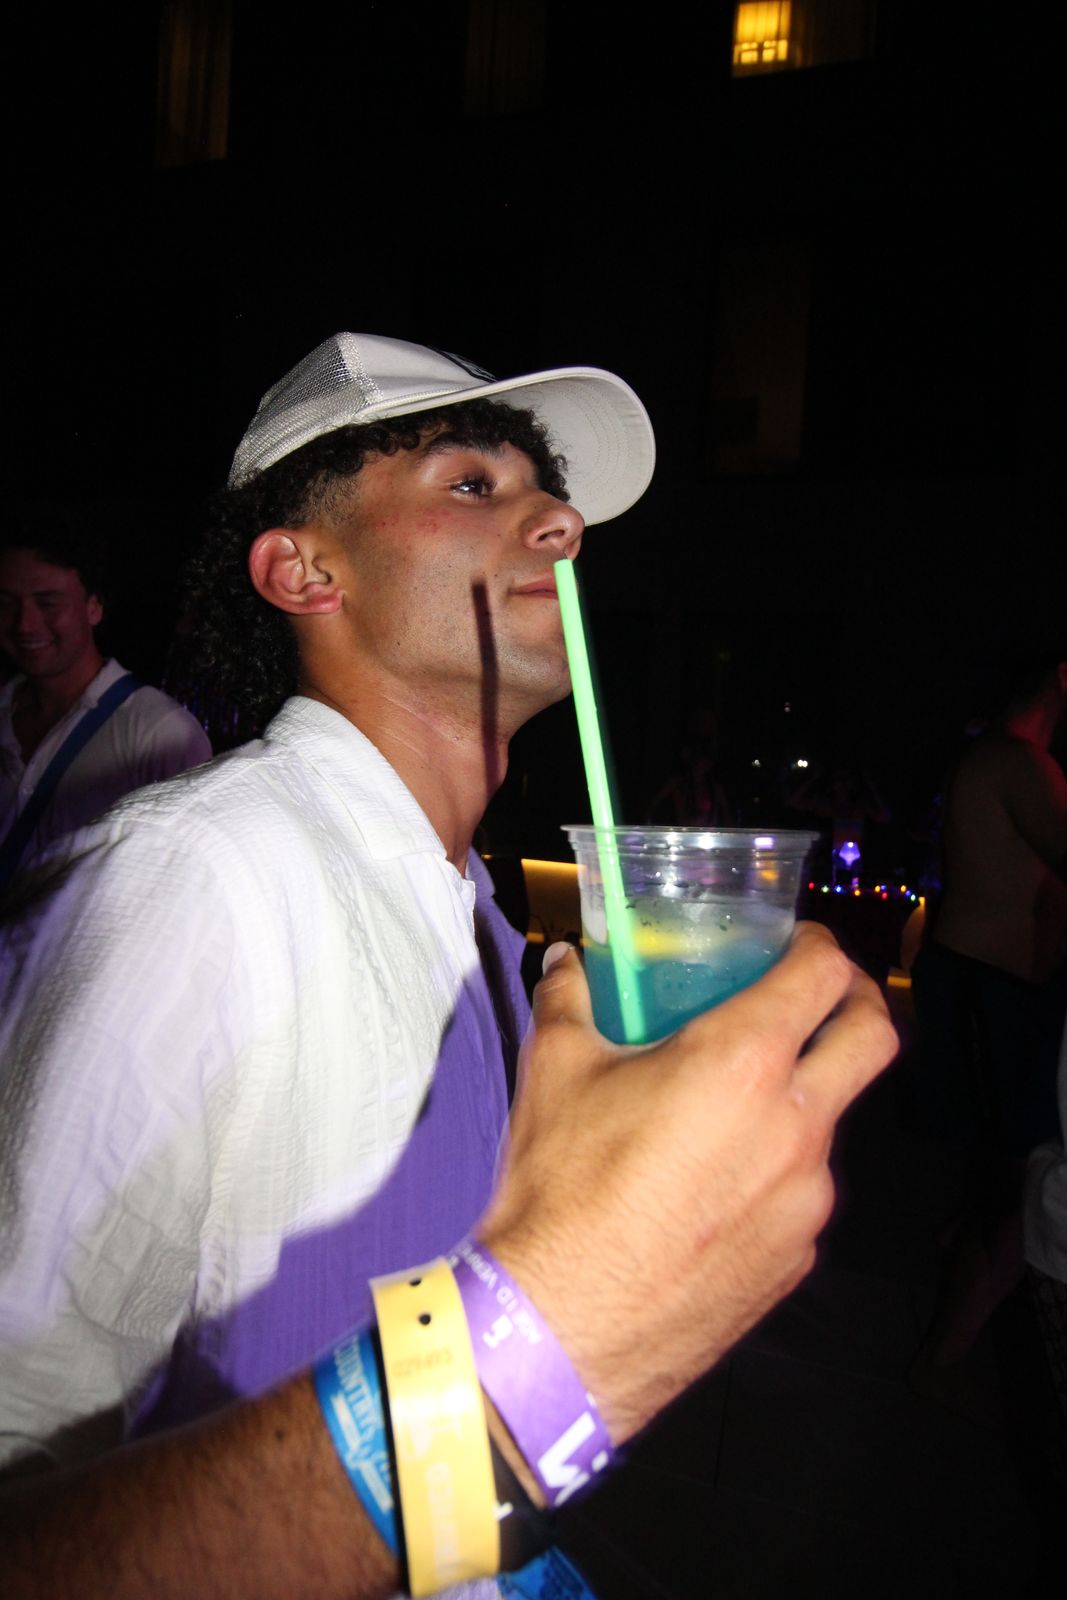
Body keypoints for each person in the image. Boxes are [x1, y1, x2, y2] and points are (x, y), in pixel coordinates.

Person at [0, 334, 897, 1593]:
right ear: (303, 568)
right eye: (472, 483)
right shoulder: (195, 877)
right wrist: (548, 1354)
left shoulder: (466, 904)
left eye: (549, 495)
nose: (562, 524)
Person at [0, 520, 211, 884]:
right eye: (5, 604)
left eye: (48, 603)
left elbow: (183, 877)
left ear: (94, 607)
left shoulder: (160, 733)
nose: (25, 624)